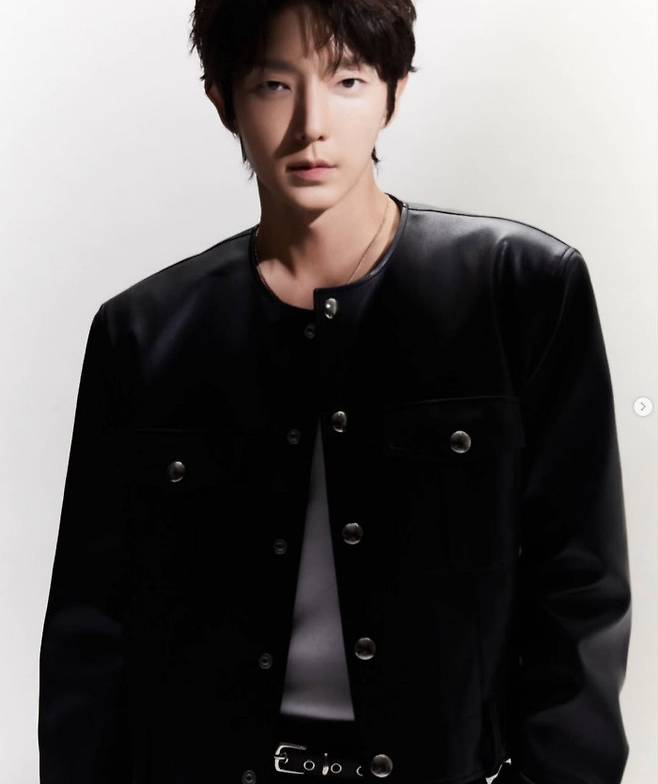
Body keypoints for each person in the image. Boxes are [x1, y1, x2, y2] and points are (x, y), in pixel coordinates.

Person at [38, 2, 632, 783]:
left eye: (347, 80)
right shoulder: (143, 334)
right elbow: (90, 632)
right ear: (222, 99)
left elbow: (581, 590)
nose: (311, 125)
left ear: (395, 91)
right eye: (274, 85)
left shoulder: (523, 291)